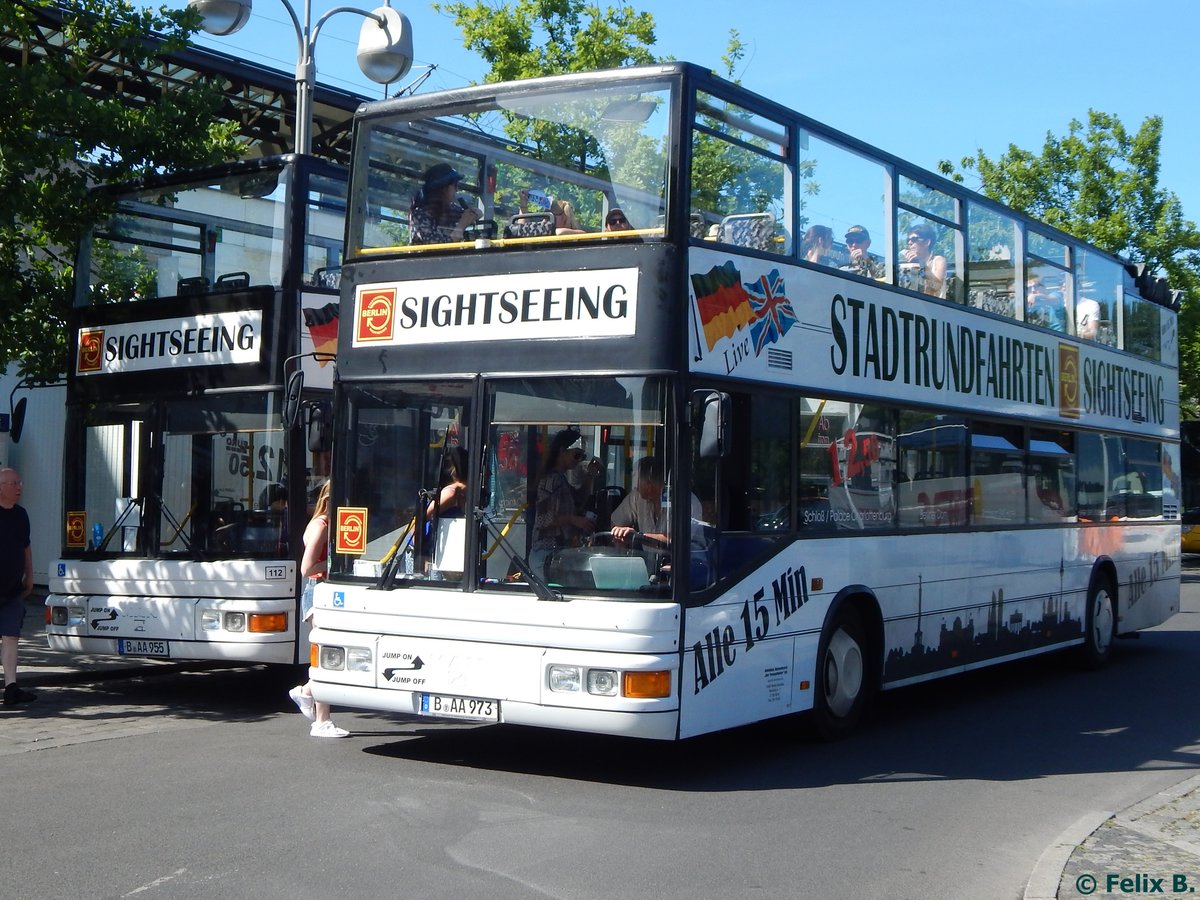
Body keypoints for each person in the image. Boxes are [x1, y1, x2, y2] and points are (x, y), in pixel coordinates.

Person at [288, 480, 349, 738]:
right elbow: (306, 568)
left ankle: (308, 693)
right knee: (326, 657)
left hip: (321, 591)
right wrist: (338, 559)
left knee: (329, 655)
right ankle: (321, 720)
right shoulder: (322, 526)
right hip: (318, 590)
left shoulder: (323, 524)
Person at [531, 429, 597, 574]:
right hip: (546, 554)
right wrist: (573, 520)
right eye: (576, 455)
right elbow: (543, 519)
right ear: (562, 451)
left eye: (582, 456)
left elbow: (578, 501)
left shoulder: (561, 479)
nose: (579, 460)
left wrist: (590, 476)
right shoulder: (551, 479)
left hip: (557, 554)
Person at [610, 457, 703, 548]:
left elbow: (678, 541)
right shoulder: (637, 496)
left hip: (686, 561)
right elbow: (616, 522)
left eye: (635, 478)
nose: (634, 486)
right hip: (649, 561)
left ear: (648, 482)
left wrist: (638, 536)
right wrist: (620, 534)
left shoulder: (687, 501)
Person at [0, 469, 34, 707]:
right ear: (0, 487)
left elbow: (26, 548)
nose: (18, 487)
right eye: (13, 483)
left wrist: (30, 577)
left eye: (19, 483)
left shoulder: (21, 515)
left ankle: (11, 686)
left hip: (12, 589)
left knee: (11, 636)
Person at [409, 163, 479, 245]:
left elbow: (478, 214)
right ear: (443, 188)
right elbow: (435, 247)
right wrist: (461, 226)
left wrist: (472, 214)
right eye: (455, 185)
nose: (457, 190)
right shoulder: (419, 215)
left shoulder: (452, 209)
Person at [900, 222, 947, 297]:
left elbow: (936, 286)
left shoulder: (938, 261)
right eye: (908, 240)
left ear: (927, 242)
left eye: (914, 239)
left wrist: (921, 263)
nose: (910, 243)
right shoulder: (907, 263)